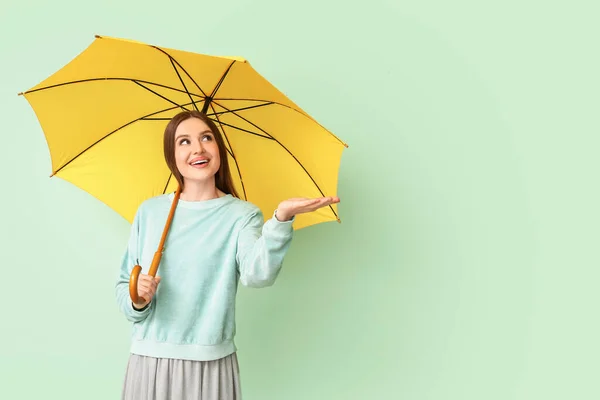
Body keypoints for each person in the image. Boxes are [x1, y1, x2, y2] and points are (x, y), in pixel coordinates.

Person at [116, 110, 339, 399]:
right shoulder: (150, 212)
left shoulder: (242, 215)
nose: (198, 148)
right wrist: (138, 299)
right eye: (184, 141)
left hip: (210, 365)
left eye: (206, 138)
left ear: (218, 148)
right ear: (172, 156)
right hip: (149, 362)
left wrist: (281, 220)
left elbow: (257, 275)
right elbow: (124, 287)